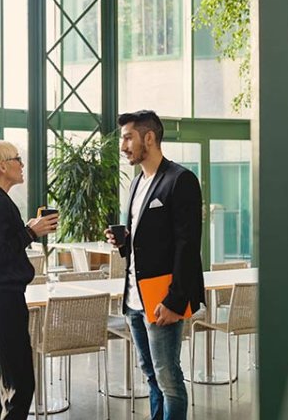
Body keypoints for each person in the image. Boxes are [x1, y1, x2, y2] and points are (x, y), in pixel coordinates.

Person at [105, 110, 206, 420]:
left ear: (149, 137)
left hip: (163, 300)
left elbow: (187, 246)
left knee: (168, 379)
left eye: (127, 137)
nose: (122, 145)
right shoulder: (137, 183)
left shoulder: (181, 180)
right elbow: (148, 241)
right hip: (135, 299)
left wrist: (176, 300)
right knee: (151, 377)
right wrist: (123, 241)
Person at [0, 141, 58, 419]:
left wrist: (29, 231)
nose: (22, 164)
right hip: (2, 303)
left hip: (0, 302)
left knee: (2, 388)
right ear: (2, 166)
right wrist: (30, 233)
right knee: (20, 388)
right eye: (17, 159)